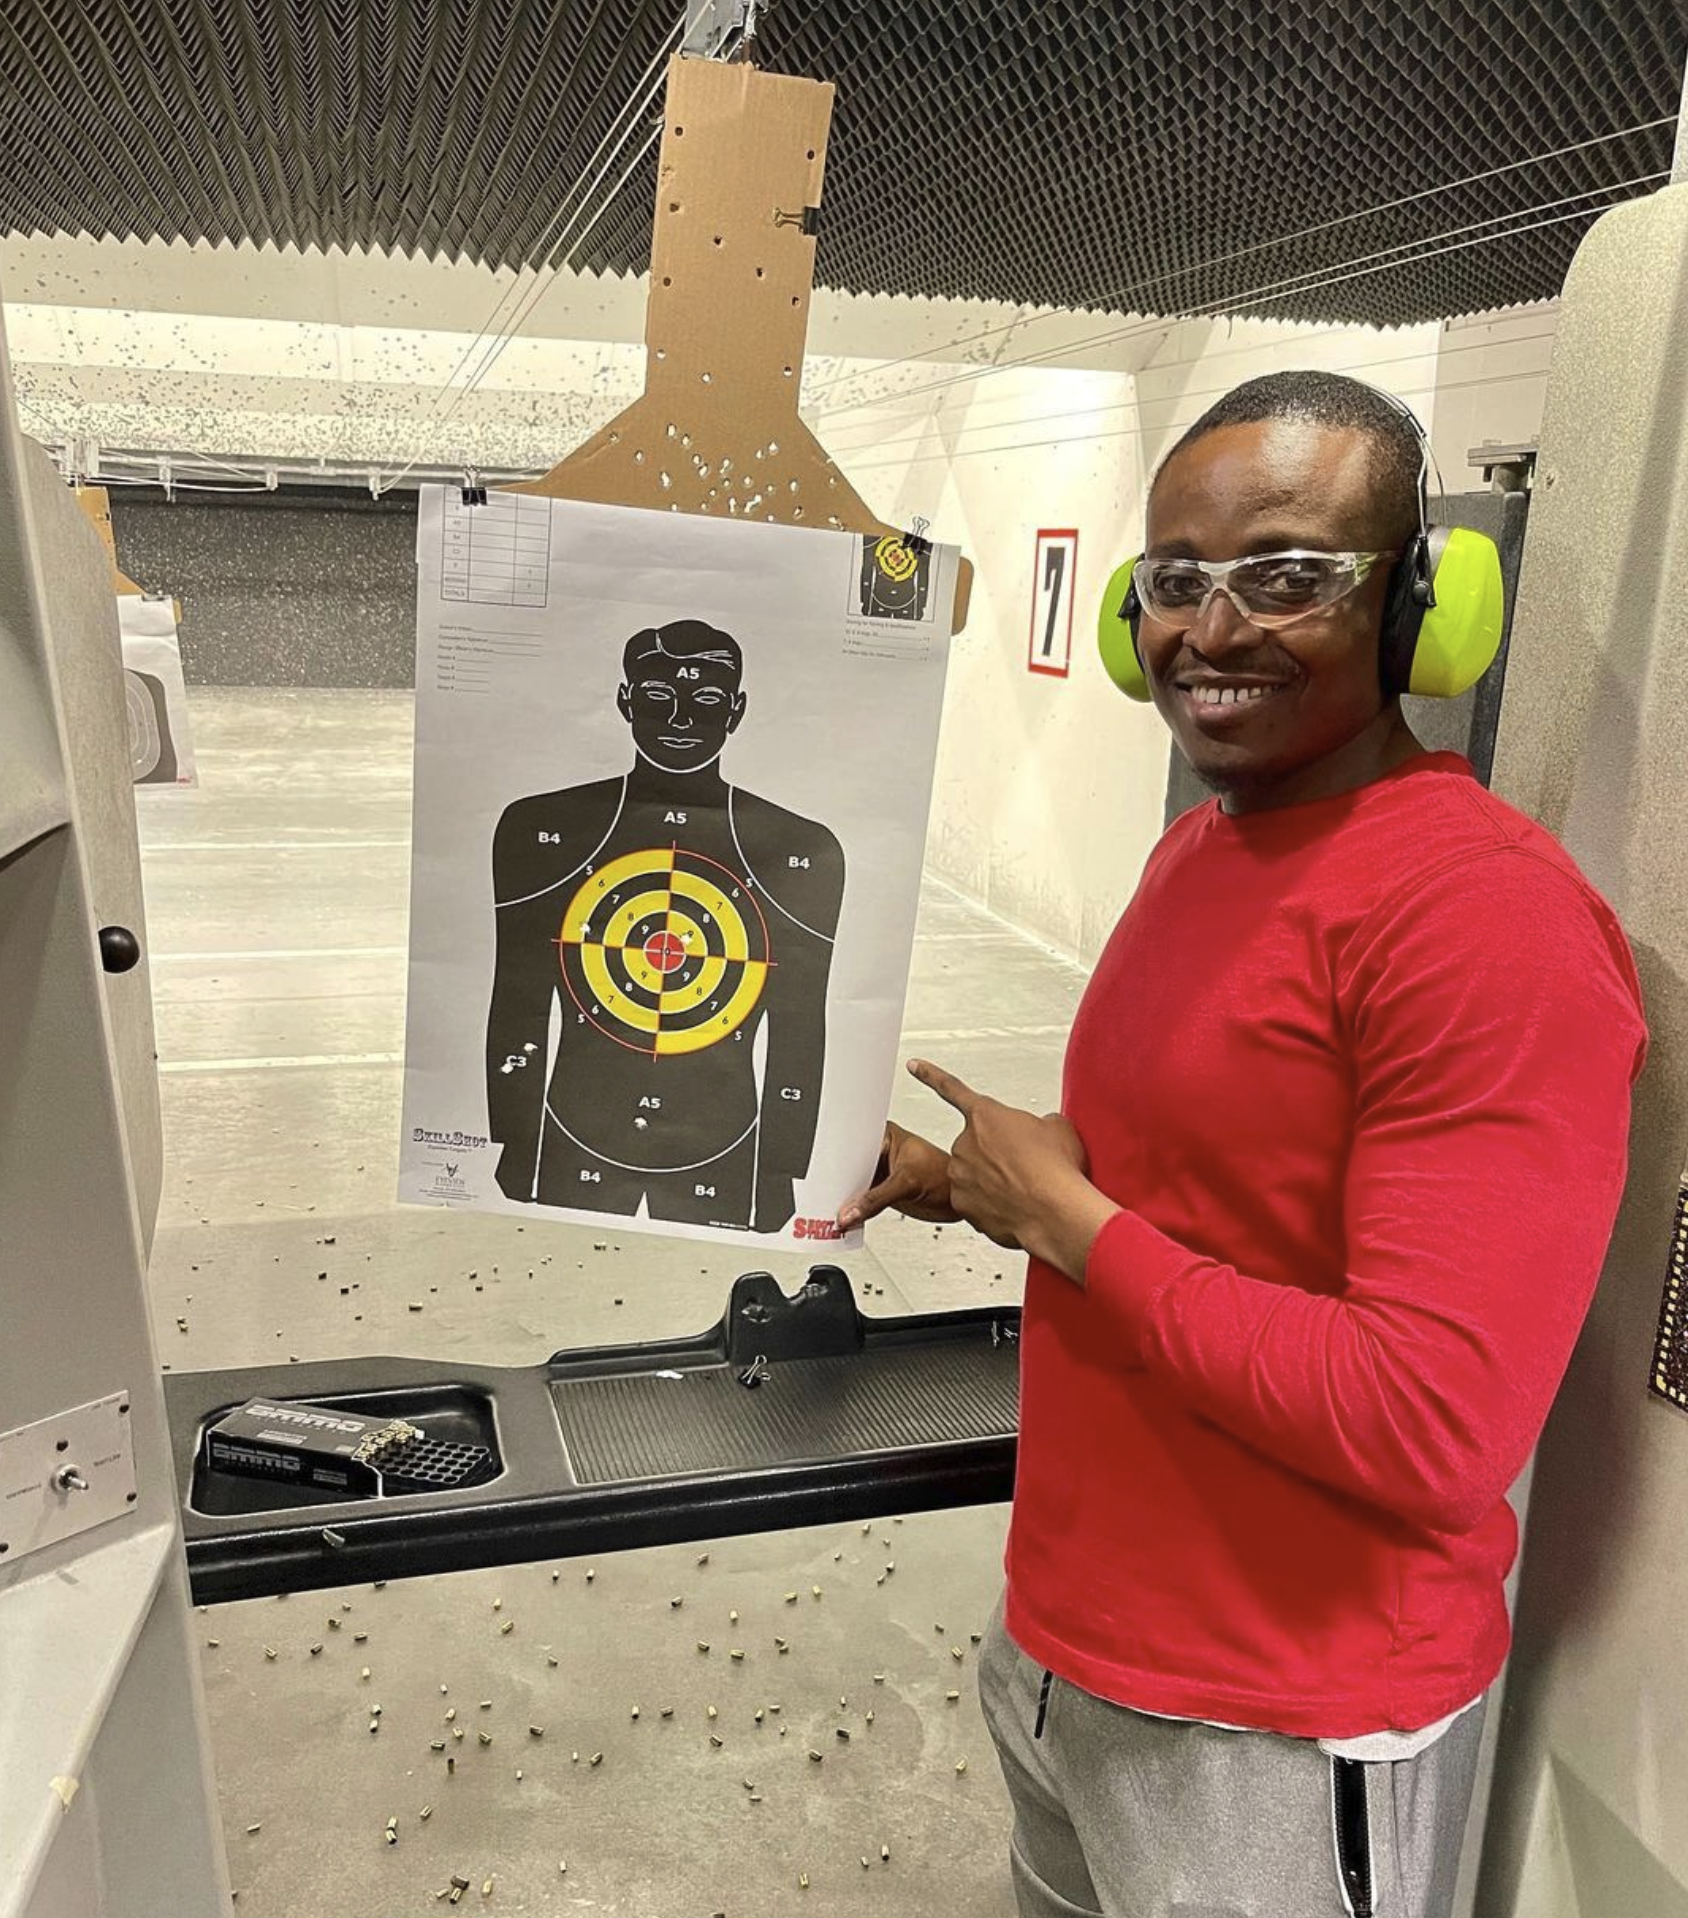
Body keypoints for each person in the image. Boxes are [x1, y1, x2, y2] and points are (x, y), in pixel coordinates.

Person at [840, 372, 1646, 1918]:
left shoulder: (1483, 920)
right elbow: (1196, 1193)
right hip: (1071, 1653)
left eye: (1286, 574)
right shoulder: (1202, 850)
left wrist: (1072, 1223)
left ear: (1418, 605)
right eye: (1174, 579)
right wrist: (974, 1185)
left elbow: (1433, 1418)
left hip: (1282, 1719)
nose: (1210, 629)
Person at [487, 619, 843, 1232]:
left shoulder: (803, 847)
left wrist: (781, 1169)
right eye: (658, 696)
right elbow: (518, 1001)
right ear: (626, 701)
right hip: (573, 1130)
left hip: (726, 1139)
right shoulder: (539, 827)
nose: (681, 718)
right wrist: (516, 1141)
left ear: (736, 711)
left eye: (705, 699)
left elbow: (799, 1027)